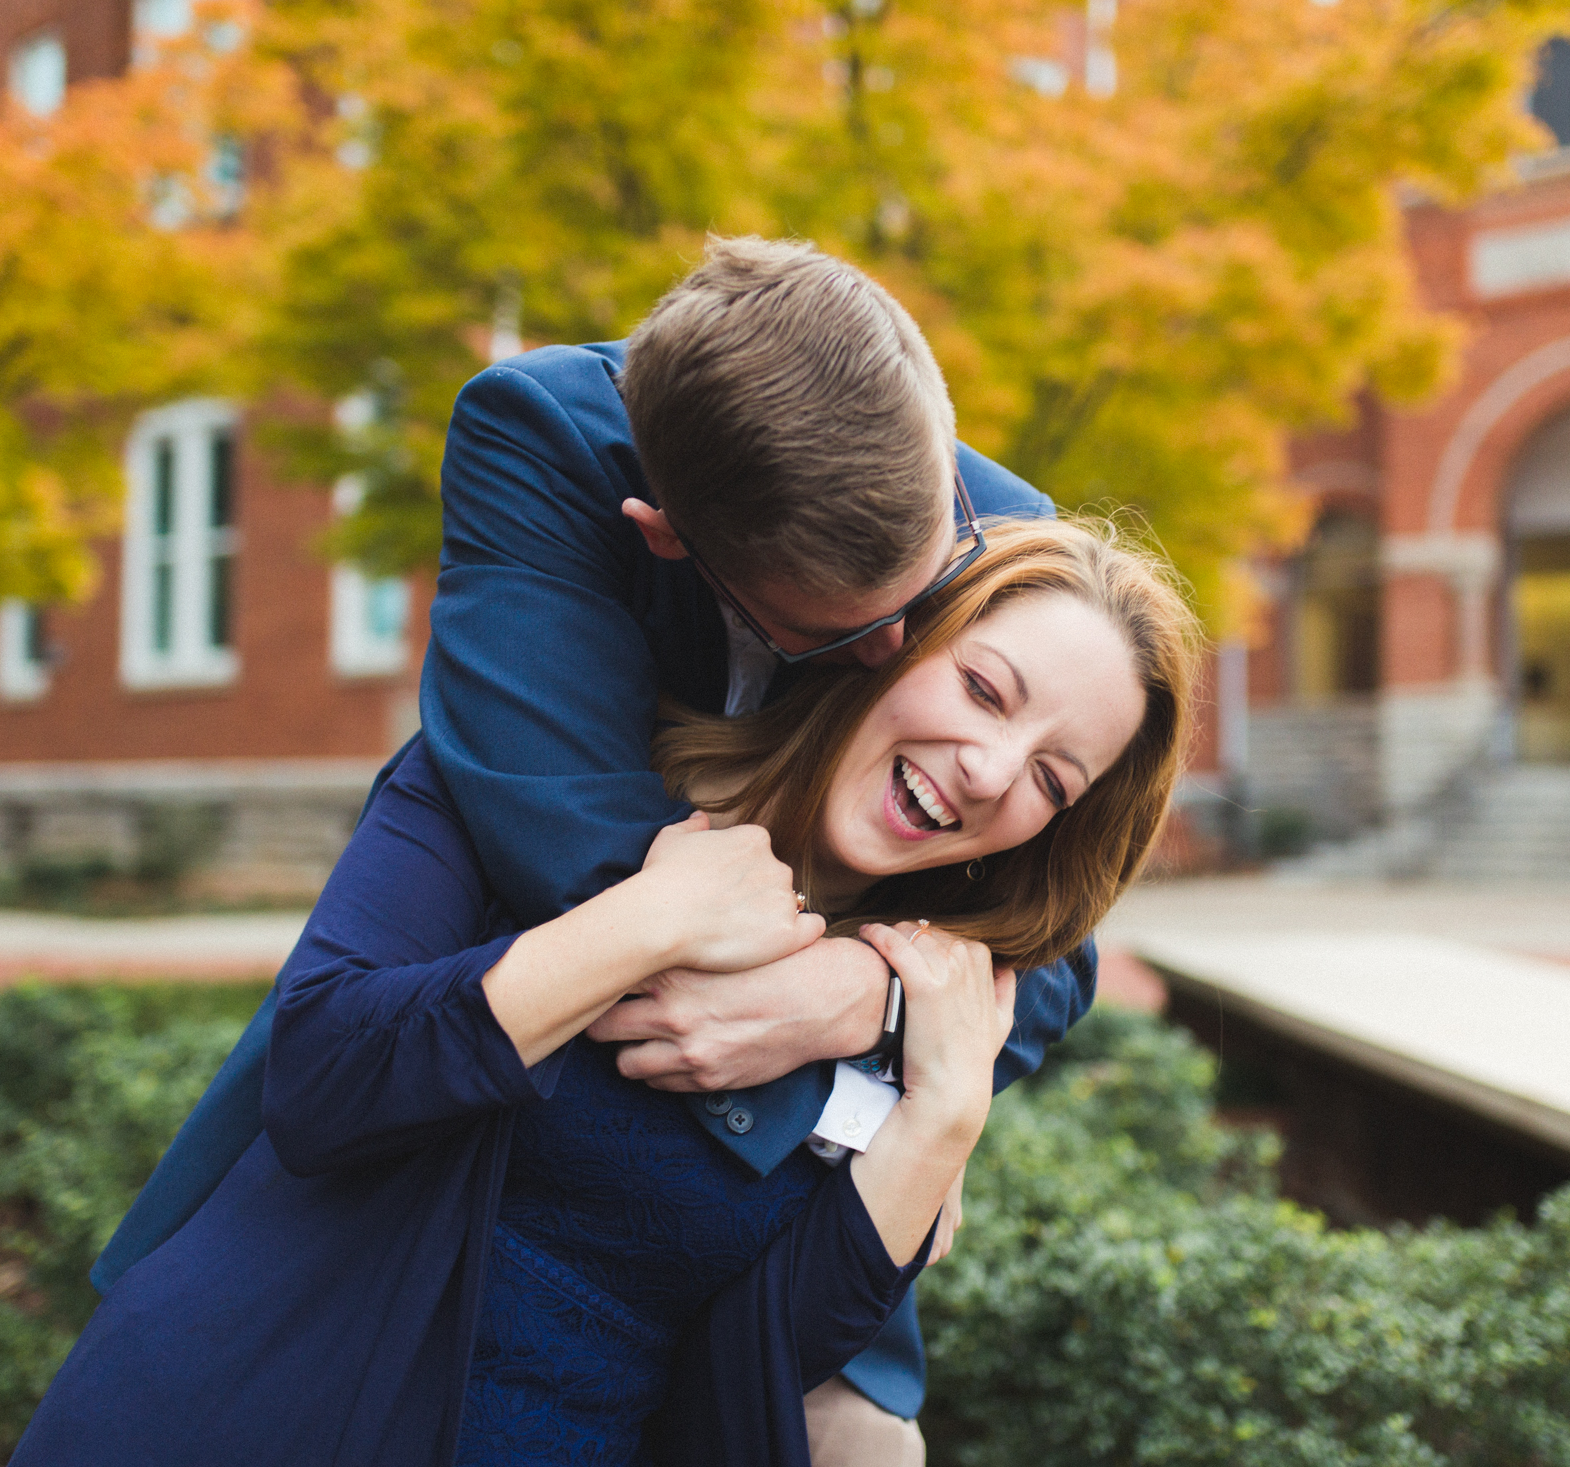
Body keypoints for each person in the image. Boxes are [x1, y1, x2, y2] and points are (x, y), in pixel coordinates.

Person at [89, 237, 1097, 1456]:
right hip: (489, 1113)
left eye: (922, 602)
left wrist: (870, 1009)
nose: (899, 652)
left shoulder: (1009, 551)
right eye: (842, 630)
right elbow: (557, 825)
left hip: (748, 1242)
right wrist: (842, 1054)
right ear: (663, 537)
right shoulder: (544, 439)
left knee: (853, 1437)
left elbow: (1052, 937)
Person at [9, 518, 1199, 1467]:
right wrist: (649, 921)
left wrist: (940, 1118)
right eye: (985, 691)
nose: (991, 772)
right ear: (887, 639)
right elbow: (323, 1079)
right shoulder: (534, 778)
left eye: (1052, 776)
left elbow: (757, 1364)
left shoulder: (923, 997)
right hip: (263, 1409)